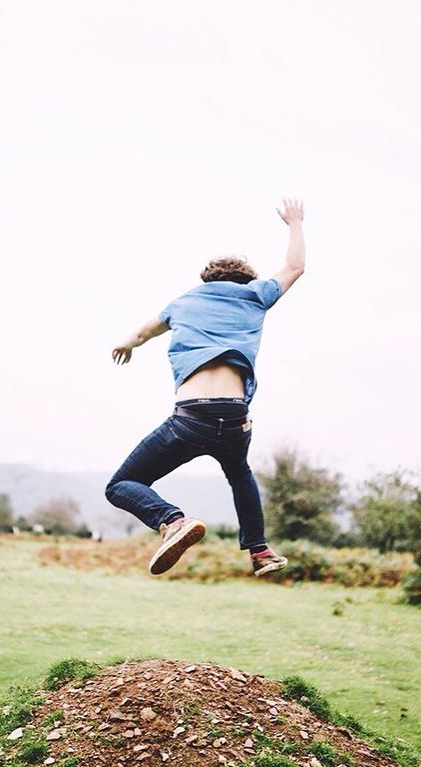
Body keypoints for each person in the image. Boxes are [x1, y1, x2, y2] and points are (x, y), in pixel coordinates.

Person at [105, 198, 306, 576]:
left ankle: (173, 521)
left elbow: (143, 332)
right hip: (234, 418)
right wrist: (295, 222)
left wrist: (126, 344)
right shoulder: (256, 296)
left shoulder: (184, 302)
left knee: (121, 484)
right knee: (239, 474)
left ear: (207, 281)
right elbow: (295, 266)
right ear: (246, 280)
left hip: (191, 417)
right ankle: (259, 550)